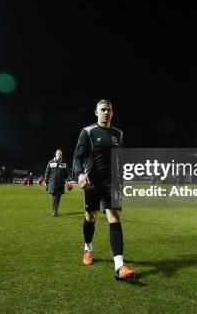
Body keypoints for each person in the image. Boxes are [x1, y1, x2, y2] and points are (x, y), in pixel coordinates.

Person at [73, 99, 135, 281]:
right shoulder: (88, 131)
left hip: (112, 183)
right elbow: (77, 157)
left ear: (112, 113)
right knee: (90, 217)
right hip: (92, 182)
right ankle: (88, 248)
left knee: (115, 217)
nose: (106, 113)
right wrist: (80, 175)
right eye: (103, 110)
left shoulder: (118, 133)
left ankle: (119, 267)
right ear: (96, 112)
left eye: (108, 110)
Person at [44, 148, 68, 216]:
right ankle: (54, 210)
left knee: (57, 197)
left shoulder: (64, 163)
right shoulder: (51, 162)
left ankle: (55, 211)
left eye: (61, 154)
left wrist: (68, 181)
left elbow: (67, 174)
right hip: (52, 183)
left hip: (60, 184)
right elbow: (47, 172)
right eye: (58, 153)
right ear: (55, 154)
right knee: (54, 197)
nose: (59, 155)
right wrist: (46, 181)